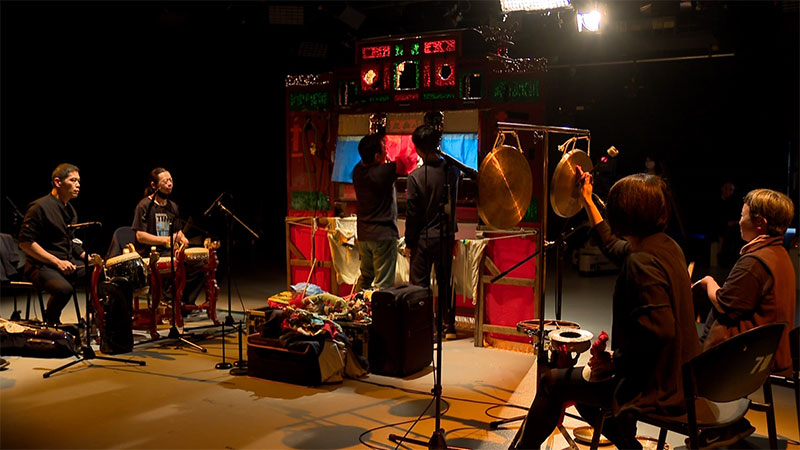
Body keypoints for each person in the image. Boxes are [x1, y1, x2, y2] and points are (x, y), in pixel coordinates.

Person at [514, 170, 700, 449]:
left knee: (551, 382)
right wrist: (588, 200)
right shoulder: (665, 246)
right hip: (678, 378)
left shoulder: (641, 262)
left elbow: (661, 332)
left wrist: (615, 361)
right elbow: (612, 246)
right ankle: (628, 444)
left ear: (624, 213)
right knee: (583, 386)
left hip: (656, 389)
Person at [696, 188, 796, 373]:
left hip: (750, 357)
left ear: (760, 223)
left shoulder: (755, 262)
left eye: (742, 215)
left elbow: (724, 304)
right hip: (772, 351)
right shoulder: (779, 253)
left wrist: (708, 281)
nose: (740, 221)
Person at [404, 124, 460, 340]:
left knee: (420, 285)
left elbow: (413, 215)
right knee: (445, 281)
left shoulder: (415, 177)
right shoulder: (452, 172)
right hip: (446, 236)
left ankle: (427, 328)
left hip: (423, 239)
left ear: (418, 149)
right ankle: (449, 325)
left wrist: (409, 243)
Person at [18, 163, 88, 325]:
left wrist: (86, 257)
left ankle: (92, 318)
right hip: (41, 266)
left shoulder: (70, 211)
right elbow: (25, 243)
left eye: (79, 181)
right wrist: (57, 262)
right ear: (58, 182)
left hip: (66, 263)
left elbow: (70, 241)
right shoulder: (39, 207)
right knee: (64, 290)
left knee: (102, 275)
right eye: (73, 180)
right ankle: (52, 322)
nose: (78, 185)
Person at [131, 167, 203, 312]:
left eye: (171, 180)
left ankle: (183, 302)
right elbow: (140, 235)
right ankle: (167, 300)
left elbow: (177, 231)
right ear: (154, 185)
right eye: (165, 181)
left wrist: (183, 238)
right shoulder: (144, 206)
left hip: (170, 250)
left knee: (200, 263)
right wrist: (164, 240)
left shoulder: (173, 206)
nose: (170, 184)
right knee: (179, 263)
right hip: (152, 252)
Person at [352, 133, 400, 291]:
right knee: (383, 285)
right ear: (377, 156)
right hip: (382, 235)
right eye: (384, 148)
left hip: (364, 235)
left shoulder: (357, 171)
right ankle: (380, 308)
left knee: (366, 277)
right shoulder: (382, 172)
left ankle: (356, 305)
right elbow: (406, 162)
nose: (387, 150)